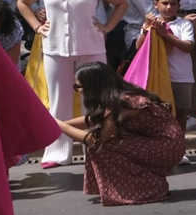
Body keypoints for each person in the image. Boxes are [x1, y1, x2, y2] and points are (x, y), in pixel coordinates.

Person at [18, 0, 129, 168]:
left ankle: (96, 147)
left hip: (91, 45)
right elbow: (22, 2)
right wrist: (36, 27)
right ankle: (58, 152)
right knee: (59, 100)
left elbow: (121, 3)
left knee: (95, 100)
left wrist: (107, 26)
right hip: (55, 46)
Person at [54, 62, 185, 206]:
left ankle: (145, 190)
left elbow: (95, 140)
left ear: (92, 86)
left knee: (102, 146)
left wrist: (59, 125)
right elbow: (93, 119)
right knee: (109, 142)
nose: (77, 91)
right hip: (165, 143)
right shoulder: (118, 97)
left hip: (166, 147)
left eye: (77, 87)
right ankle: (143, 186)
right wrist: (57, 125)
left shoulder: (120, 102)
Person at [145, 0, 196, 131]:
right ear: (156, 4)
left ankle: (179, 151)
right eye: (165, 3)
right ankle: (163, 151)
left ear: (179, 6)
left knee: (180, 115)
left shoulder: (184, 24)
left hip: (181, 77)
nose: (169, 7)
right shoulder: (150, 24)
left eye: (173, 4)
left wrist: (166, 34)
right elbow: (139, 47)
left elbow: (188, 47)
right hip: (159, 78)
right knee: (159, 115)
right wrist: (146, 29)